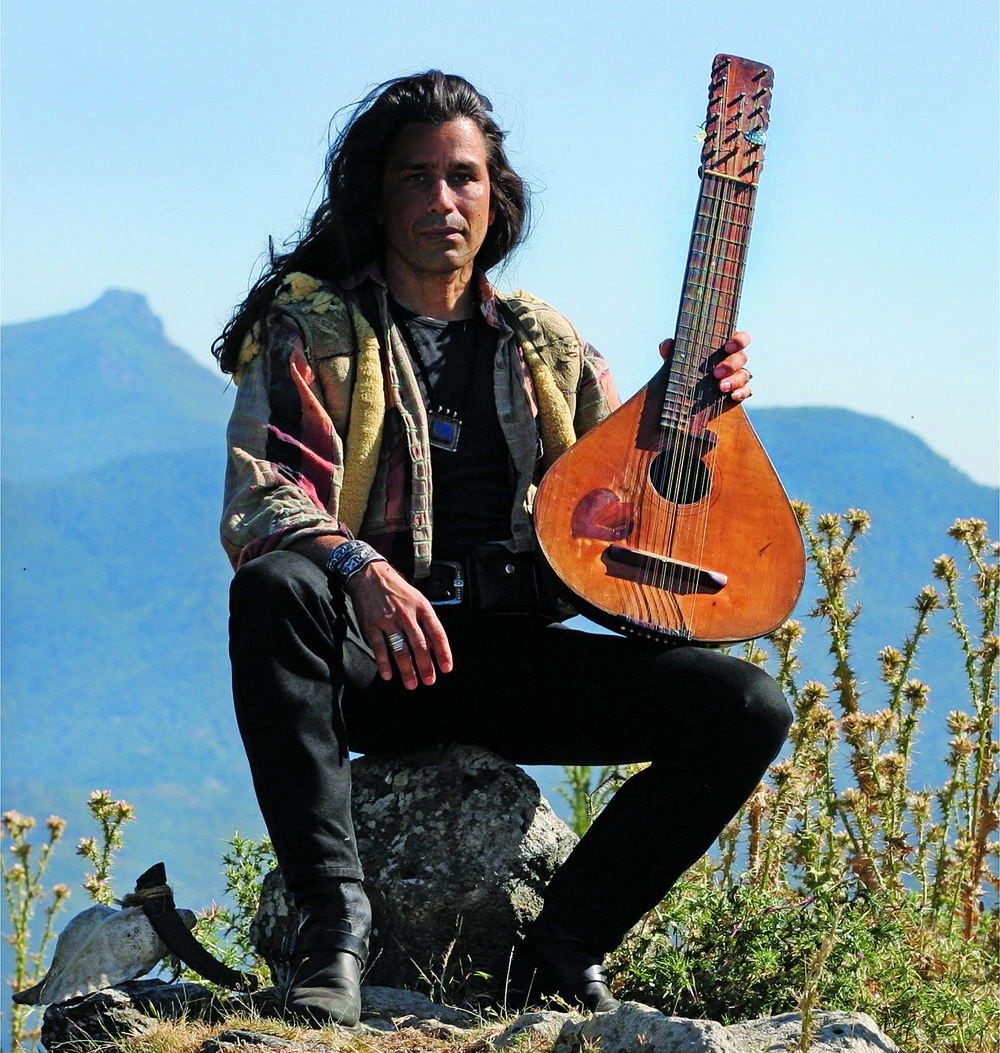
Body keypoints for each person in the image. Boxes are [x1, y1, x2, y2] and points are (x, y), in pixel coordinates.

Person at [215, 71, 792, 1028]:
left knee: (746, 708)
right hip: (370, 662)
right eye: (416, 178)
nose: (443, 200)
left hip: (507, 653)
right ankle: (332, 929)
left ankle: (560, 950)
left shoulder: (546, 345)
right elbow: (263, 494)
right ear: (378, 193)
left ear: (496, 195)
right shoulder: (310, 326)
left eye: (464, 177)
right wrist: (359, 570)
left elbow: (626, 514)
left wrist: (693, 398)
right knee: (276, 588)